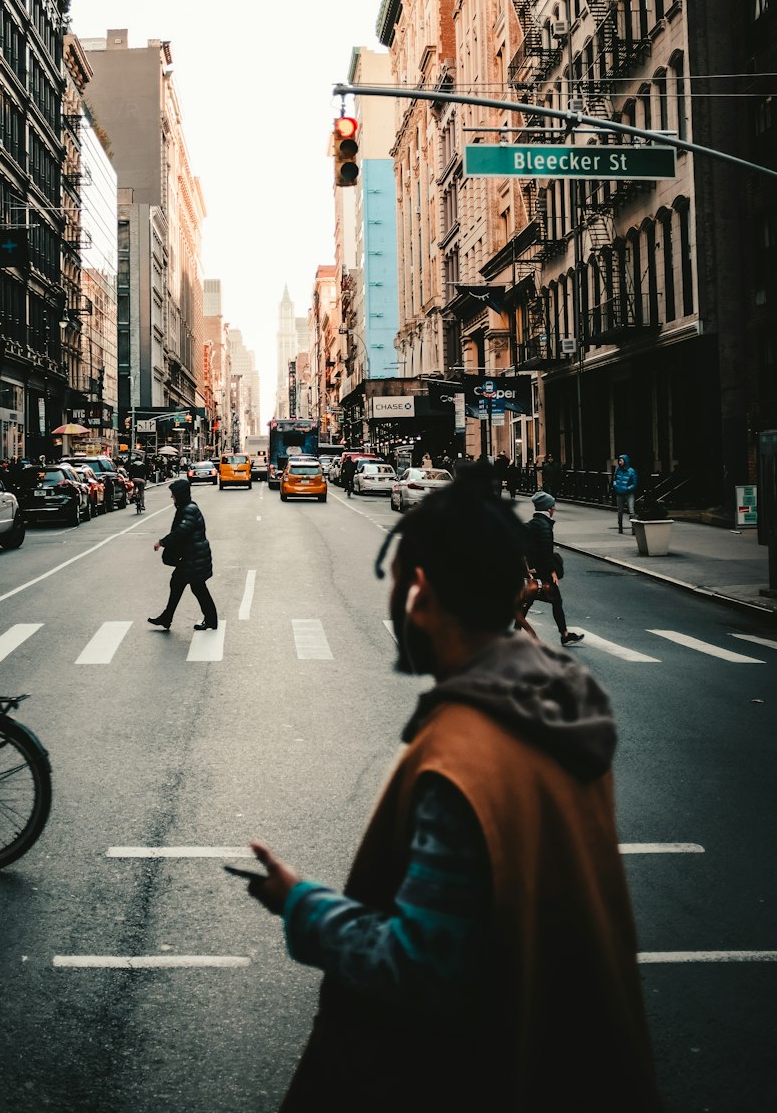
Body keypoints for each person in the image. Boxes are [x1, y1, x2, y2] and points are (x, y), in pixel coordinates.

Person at [241, 468, 659, 1110]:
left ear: (424, 593)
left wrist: (299, 903)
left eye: (399, 584)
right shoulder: (556, 708)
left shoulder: (462, 755)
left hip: (474, 1078)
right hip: (573, 1067)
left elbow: (421, 968)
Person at [148, 478, 217, 631]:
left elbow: (181, 532)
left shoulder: (188, 510)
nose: (171, 497)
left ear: (180, 495)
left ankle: (167, 618)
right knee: (193, 587)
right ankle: (209, 619)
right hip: (194, 556)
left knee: (183, 585)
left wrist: (162, 542)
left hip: (193, 557)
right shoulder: (188, 508)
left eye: (173, 494)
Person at [522, 491, 583, 646]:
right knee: (556, 600)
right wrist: (552, 571)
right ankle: (565, 634)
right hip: (543, 571)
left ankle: (515, 632)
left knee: (528, 600)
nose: (554, 508)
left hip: (533, 571)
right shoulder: (544, 526)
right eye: (553, 506)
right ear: (548, 508)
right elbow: (545, 551)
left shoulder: (532, 524)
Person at [612, 453, 639, 534]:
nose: (619, 462)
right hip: (619, 493)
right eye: (619, 460)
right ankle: (620, 527)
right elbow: (615, 479)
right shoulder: (617, 470)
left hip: (628, 493)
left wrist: (627, 488)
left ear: (625, 461)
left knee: (631, 511)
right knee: (620, 511)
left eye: (621, 460)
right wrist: (615, 485)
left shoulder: (631, 471)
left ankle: (634, 528)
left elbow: (634, 483)